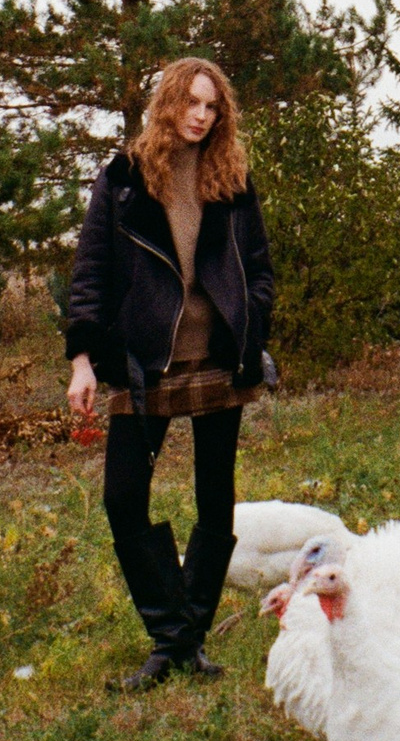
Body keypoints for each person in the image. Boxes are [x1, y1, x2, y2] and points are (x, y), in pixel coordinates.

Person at [65, 56, 276, 690]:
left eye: (212, 107)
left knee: (217, 500)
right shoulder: (125, 179)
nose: (201, 116)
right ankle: (175, 638)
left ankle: (181, 644)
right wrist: (82, 360)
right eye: (192, 103)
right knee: (123, 498)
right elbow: (91, 274)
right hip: (141, 364)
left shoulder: (232, 178)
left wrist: (251, 325)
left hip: (218, 362)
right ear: (169, 102)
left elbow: (260, 270)